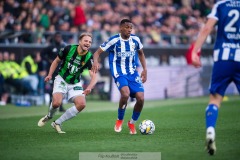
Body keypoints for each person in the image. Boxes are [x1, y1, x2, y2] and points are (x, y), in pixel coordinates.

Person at [191, 0, 240, 156]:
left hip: (222, 59)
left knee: (215, 99)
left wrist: (195, 51)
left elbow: (207, 28)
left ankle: (211, 129)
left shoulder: (221, 5)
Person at [92, 19, 147, 135]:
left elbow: (141, 53)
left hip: (133, 73)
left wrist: (145, 70)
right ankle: (119, 120)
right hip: (119, 72)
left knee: (141, 98)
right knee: (125, 94)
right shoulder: (114, 40)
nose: (129, 29)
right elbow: (96, 53)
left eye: (131, 27)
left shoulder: (135, 39)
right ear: (121, 28)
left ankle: (132, 122)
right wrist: (95, 62)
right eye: (127, 27)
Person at [37, 32, 97, 133]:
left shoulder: (89, 58)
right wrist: (50, 74)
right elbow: (56, 61)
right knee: (56, 103)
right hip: (62, 79)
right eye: (85, 41)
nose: (88, 43)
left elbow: (94, 75)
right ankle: (49, 116)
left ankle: (57, 123)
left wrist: (89, 87)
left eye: (90, 42)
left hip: (75, 83)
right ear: (79, 41)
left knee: (82, 104)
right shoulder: (68, 49)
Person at [41, 32, 67, 112]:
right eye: (57, 37)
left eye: (59, 37)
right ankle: (50, 106)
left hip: (61, 71)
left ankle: (61, 106)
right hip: (52, 72)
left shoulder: (63, 46)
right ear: (54, 38)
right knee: (52, 89)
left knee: (62, 89)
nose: (58, 38)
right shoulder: (50, 47)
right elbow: (42, 54)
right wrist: (49, 60)